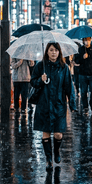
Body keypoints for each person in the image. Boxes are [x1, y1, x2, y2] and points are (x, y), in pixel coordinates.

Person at [30, 42, 76, 171]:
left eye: (56, 50)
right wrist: (41, 79)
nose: (53, 53)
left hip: (59, 104)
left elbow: (69, 87)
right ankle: (48, 159)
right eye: (51, 50)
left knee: (58, 134)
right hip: (44, 104)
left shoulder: (64, 67)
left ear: (59, 52)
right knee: (45, 132)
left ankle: (56, 152)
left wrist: (72, 103)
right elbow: (33, 82)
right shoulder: (41, 66)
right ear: (47, 52)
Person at [74, 37, 92, 114]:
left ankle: (91, 103)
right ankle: (85, 107)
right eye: (85, 40)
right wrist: (82, 58)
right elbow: (76, 60)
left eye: (88, 40)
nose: (87, 41)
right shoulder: (80, 50)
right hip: (82, 74)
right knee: (83, 92)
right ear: (83, 41)